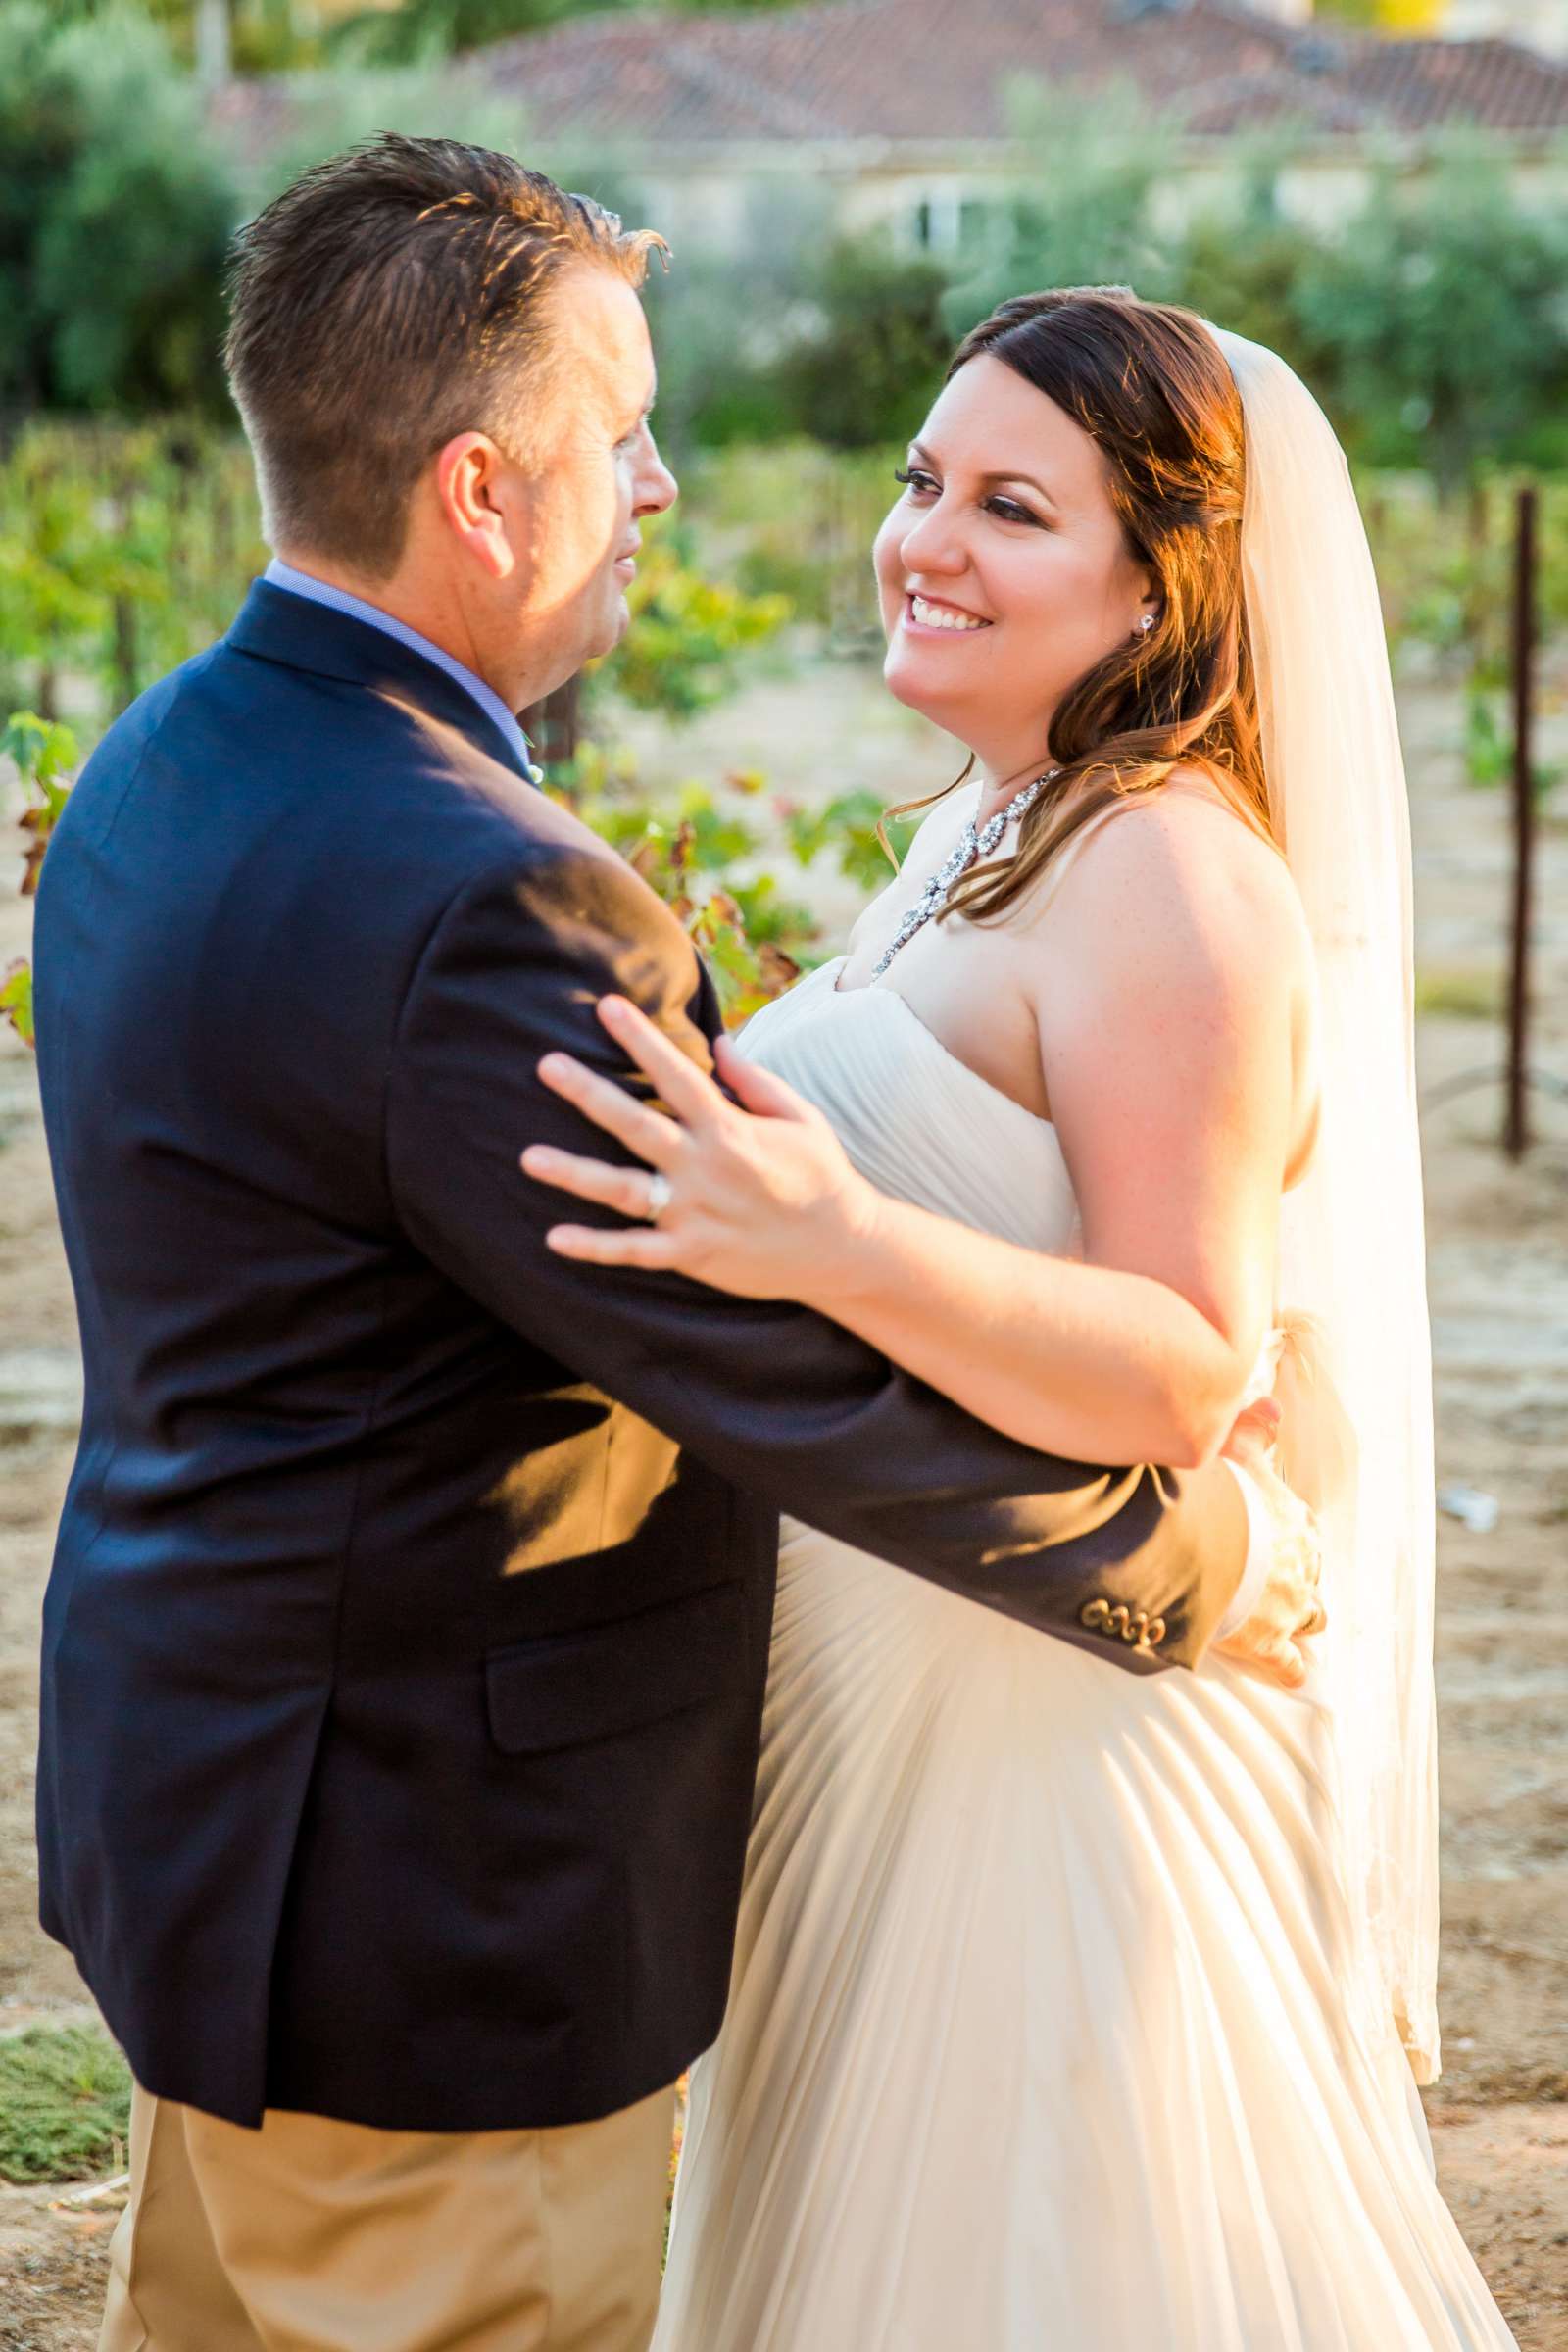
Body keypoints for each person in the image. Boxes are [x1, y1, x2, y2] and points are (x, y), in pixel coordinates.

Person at [30, 151, 1314, 2352]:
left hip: (218, 1828)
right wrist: (1199, 1565)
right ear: (479, 491)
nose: (661, 484)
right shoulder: (485, 891)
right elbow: (770, 1370)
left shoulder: (165, 760)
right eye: (618, 437)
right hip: (433, 1905)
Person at [523, 290, 1518, 2347]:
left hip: (1050, 1761)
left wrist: (829, 1238)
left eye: (1006, 505)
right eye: (914, 481)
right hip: (882, 1733)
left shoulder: (1167, 877)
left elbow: (1183, 1360)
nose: (921, 540)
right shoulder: (986, 831)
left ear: (1161, 585)